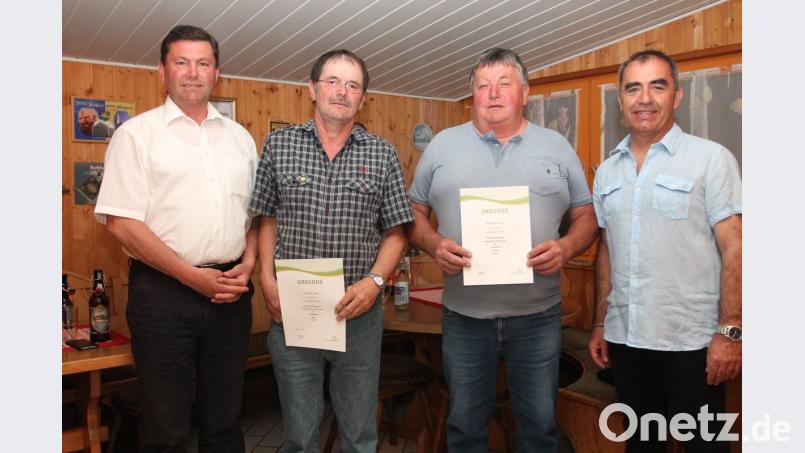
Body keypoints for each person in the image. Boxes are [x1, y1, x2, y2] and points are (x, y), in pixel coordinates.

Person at [407, 48, 598, 452]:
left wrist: (565, 248)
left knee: (539, 429)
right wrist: (433, 242)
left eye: (504, 84)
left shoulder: (556, 146)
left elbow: (588, 217)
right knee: (465, 429)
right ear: (471, 94)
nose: (493, 94)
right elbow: (413, 212)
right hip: (464, 317)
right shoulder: (441, 145)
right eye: (483, 85)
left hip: (538, 319)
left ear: (524, 92)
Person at [94, 24, 258, 452]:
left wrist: (250, 264)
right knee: (167, 427)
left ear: (216, 72)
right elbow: (122, 224)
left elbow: (255, 216)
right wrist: (190, 276)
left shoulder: (240, 139)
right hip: (163, 294)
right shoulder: (136, 135)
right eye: (181, 62)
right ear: (162, 71)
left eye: (203, 63)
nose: (192, 72)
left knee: (225, 422)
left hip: (230, 292)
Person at [249, 49, 413, 452]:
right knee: (299, 436)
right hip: (293, 312)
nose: (342, 92)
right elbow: (266, 218)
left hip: (358, 315)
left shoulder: (382, 153)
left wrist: (375, 283)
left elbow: (396, 233)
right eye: (333, 82)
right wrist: (267, 281)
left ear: (362, 98)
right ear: (313, 88)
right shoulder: (279, 144)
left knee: (358, 435)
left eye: (353, 85)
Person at [588, 49, 742, 452]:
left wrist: (730, 332)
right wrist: (601, 323)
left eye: (657, 86)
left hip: (692, 343)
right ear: (620, 100)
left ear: (676, 96)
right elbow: (607, 249)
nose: (645, 98)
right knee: (641, 445)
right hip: (627, 339)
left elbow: (736, 246)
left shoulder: (711, 160)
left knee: (705, 448)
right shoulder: (607, 171)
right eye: (633, 88)